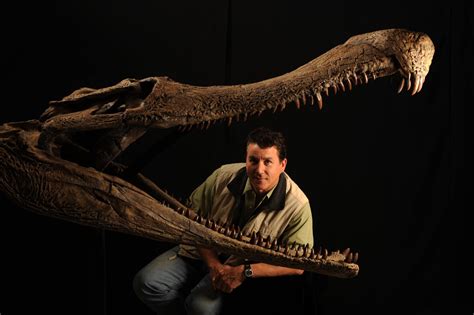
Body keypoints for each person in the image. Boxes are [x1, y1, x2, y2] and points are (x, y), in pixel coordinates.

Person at [133, 127, 314, 315]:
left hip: (237, 267)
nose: (259, 170)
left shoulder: (298, 205)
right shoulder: (222, 176)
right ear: (246, 158)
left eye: (268, 162)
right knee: (146, 283)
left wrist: (245, 272)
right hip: (199, 252)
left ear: (282, 165)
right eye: (253, 160)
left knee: (200, 307)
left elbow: (298, 265)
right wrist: (213, 265)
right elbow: (190, 218)